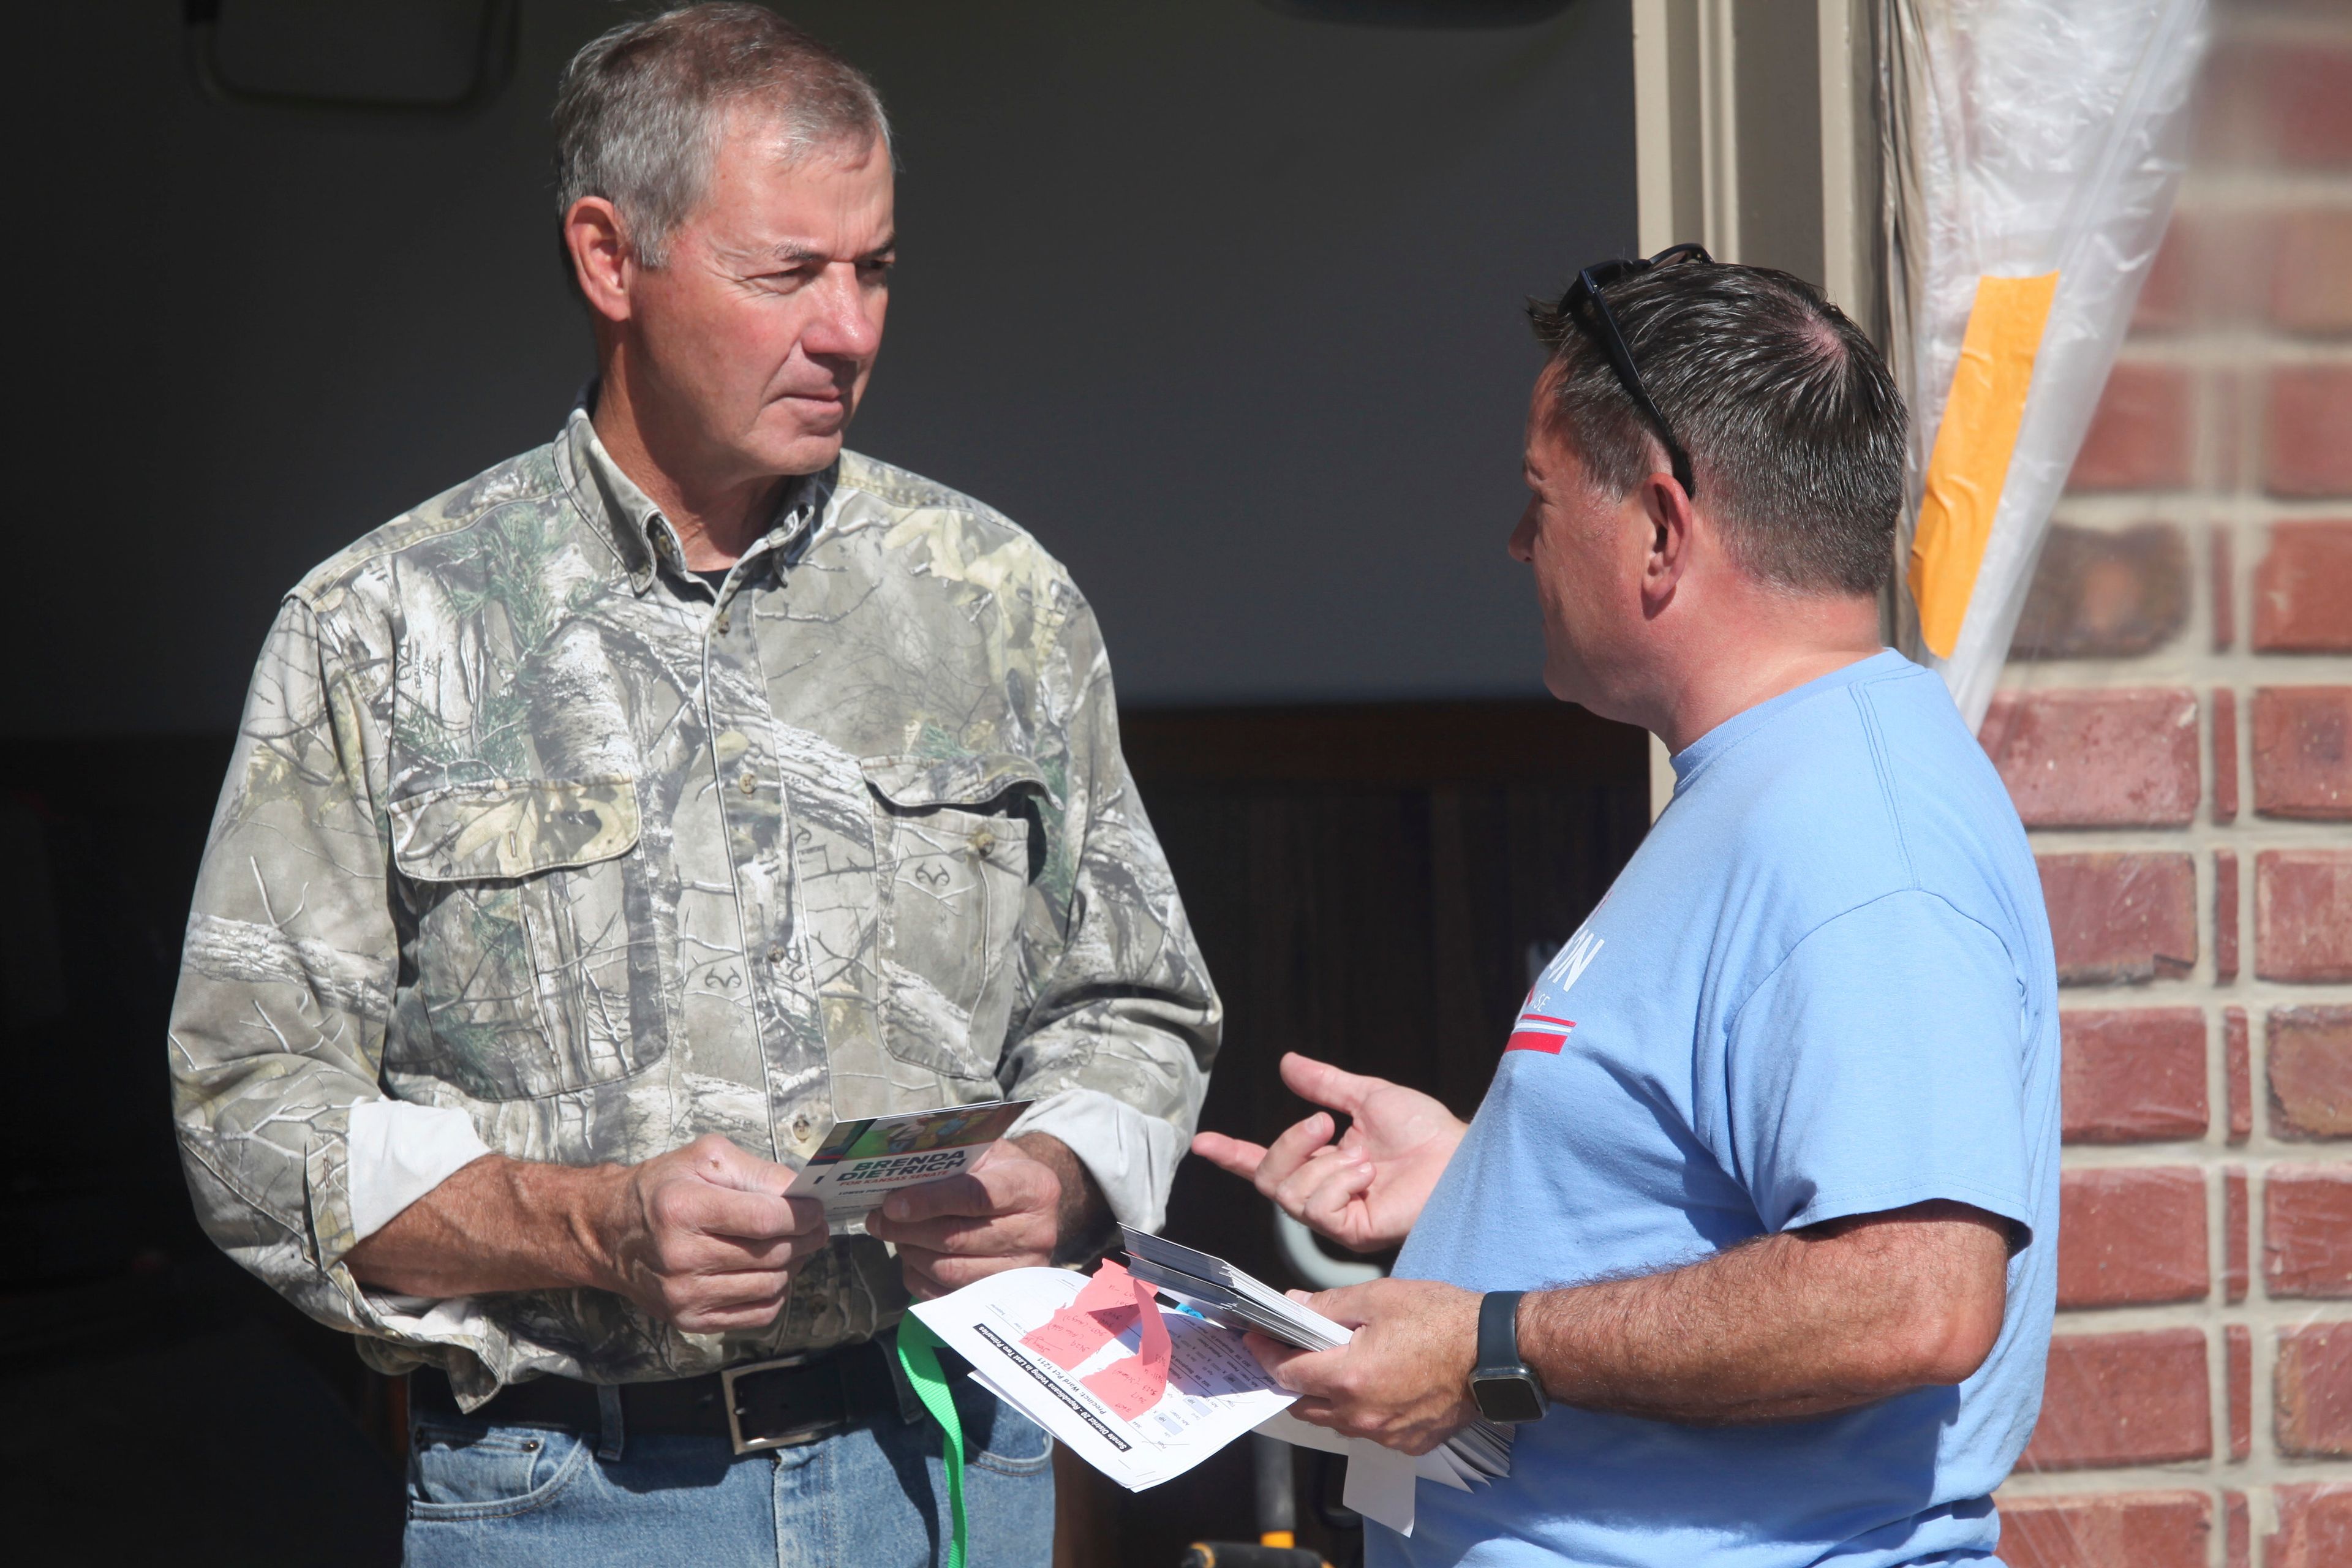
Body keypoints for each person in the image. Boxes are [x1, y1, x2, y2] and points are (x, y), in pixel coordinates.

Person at [166, 7, 1218, 1564]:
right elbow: (247, 1112)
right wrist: (589, 1226)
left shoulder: (995, 598)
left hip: (944, 1460)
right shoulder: (383, 629)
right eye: (788, 272)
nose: (850, 326)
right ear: (610, 258)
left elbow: (1138, 1004)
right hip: (569, 1495)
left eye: (874, 269)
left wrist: (1053, 1174)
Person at [1194, 247, 2058, 1567]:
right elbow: (1725, 1177)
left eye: (1541, 500)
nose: (1517, 541)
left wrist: (1487, 1343)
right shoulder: (1767, 781)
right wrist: (1489, 1173)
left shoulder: (1856, 830)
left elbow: (1914, 1291)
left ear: (1660, 525)